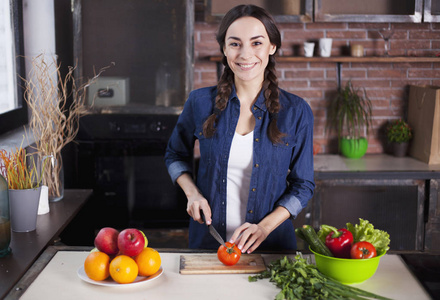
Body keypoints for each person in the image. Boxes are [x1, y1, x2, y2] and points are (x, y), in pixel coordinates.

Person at [164, 4, 315, 253]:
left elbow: (303, 185)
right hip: (209, 245)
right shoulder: (200, 102)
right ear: (224, 49)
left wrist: (265, 227)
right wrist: (192, 194)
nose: (245, 54)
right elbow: (175, 155)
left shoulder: (297, 111)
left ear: (272, 47)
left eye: (256, 43)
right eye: (235, 44)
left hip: (272, 248)